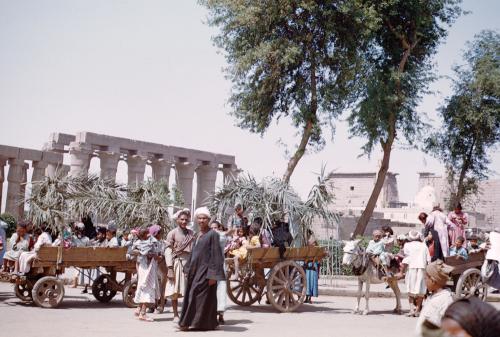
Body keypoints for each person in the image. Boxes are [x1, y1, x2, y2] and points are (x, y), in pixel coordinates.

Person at [179, 207, 225, 331]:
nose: (201, 220)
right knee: (194, 295)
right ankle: (203, 323)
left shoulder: (213, 235)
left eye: (204, 218)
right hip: (195, 270)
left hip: (206, 272)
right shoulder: (197, 234)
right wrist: (187, 268)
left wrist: (213, 276)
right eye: (199, 218)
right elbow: (193, 253)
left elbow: (216, 255)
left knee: (196, 294)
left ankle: (190, 322)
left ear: (208, 220)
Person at [165, 210, 195, 322]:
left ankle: (186, 313)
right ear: (177, 220)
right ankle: (175, 315)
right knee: (175, 291)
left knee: (189, 291)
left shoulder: (191, 234)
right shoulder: (172, 233)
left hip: (189, 263)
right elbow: (168, 250)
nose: (184, 221)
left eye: (186, 219)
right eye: (182, 219)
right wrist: (169, 268)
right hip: (177, 263)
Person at [415, 260, 455, 336]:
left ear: (433, 281)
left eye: (426, 278)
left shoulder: (445, 300)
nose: (425, 281)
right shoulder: (432, 297)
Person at [131, 227, 161, 322]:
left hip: (143, 268)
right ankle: (143, 313)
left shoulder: (139, 243)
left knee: (142, 287)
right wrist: (154, 256)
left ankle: (139, 309)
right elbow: (158, 257)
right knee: (147, 289)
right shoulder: (153, 243)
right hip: (148, 269)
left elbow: (134, 252)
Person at [403, 230, 431, 317]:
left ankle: (411, 310)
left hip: (411, 269)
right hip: (422, 269)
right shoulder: (424, 246)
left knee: (410, 289)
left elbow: (406, 258)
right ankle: (418, 310)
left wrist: (402, 271)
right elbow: (428, 260)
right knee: (421, 290)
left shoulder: (407, 245)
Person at [210, 220, 232, 324]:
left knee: (221, 288)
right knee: (211, 290)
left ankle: (221, 313)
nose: (214, 230)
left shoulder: (221, 237)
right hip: (209, 267)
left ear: (219, 228)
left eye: (215, 228)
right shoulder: (208, 237)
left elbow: (224, 236)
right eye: (212, 228)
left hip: (220, 266)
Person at [305, 229, 319, 304]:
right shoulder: (312, 242)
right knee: (309, 281)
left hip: (312, 264)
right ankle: (308, 297)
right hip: (311, 264)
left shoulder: (310, 242)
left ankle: (308, 297)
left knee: (310, 282)